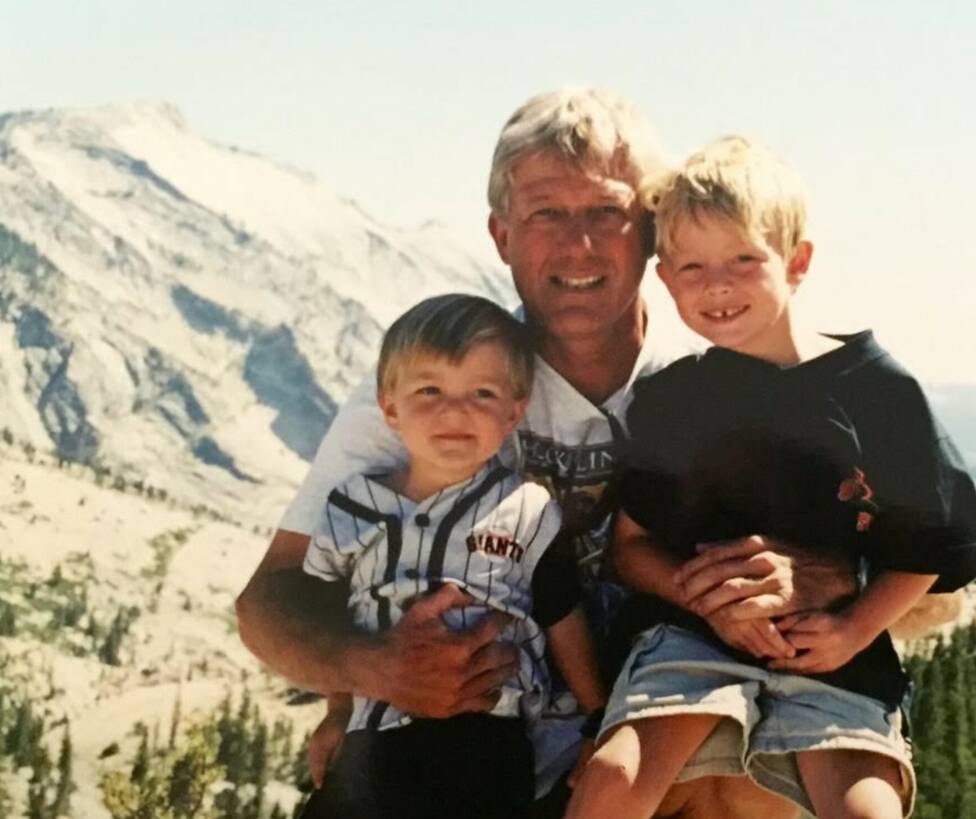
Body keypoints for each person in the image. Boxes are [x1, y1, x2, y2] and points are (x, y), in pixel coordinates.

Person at [235, 88, 933, 819]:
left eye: (608, 212)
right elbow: (268, 601)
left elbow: (932, 561)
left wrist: (827, 576)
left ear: (652, 234)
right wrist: (373, 670)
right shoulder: (436, 390)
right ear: (501, 235)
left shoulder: (717, 388)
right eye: (545, 214)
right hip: (464, 758)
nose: (579, 246)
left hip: (646, 750)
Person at [566, 137, 976, 819]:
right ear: (666, 277)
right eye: (692, 265)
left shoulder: (878, 392)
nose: (717, 284)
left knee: (868, 811)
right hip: (691, 641)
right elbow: (630, 546)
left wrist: (855, 626)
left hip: (828, 646)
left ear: (797, 262)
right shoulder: (674, 399)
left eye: (744, 258)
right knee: (613, 784)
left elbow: (932, 546)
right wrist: (703, 595)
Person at [298, 293, 605, 817]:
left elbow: (561, 615)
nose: (454, 411)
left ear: (514, 410)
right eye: (429, 390)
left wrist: (600, 719)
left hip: (487, 737)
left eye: (481, 393)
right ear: (389, 405)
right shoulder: (351, 507)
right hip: (373, 739)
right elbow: (329, 610)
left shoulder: (528, 512)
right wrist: (337, 710)